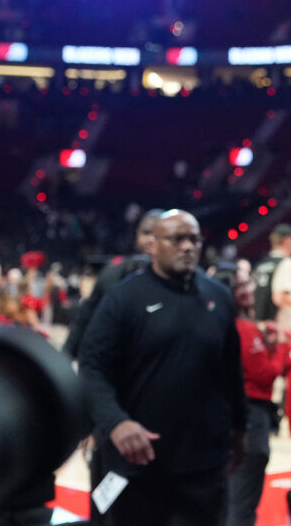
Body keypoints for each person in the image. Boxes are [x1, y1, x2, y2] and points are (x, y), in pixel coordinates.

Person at [78, 210, 246, 526]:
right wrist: (115, 423)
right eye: (177, 239)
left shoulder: (219, 297)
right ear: (152, 245)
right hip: (140, 464)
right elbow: (91, 367)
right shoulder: (123, 298)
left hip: (204, 465)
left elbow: (231, 370)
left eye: (194, 239)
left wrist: (240, 426)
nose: (187, 247)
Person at [226, 269, 287, 526]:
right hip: (251, 416)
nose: (250, 289)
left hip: (229, 416)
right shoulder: (246, 329)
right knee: (243, 498)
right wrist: (282, 347)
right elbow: (265, 375)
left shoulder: (222, 325)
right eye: (241, 286)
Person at [64, 208, 164, 359]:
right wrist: (64, 359)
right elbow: (84, 320)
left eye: (158, 235)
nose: (151, 240)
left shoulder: (186, 283)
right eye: (146, 233)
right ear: (136, 235)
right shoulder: (112, 274)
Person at [252, 223, 291, 332]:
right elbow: (281, 297)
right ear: (287, 241)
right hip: (279, 328)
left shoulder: (260, 265)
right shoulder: (286, 263)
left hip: (259, 325)